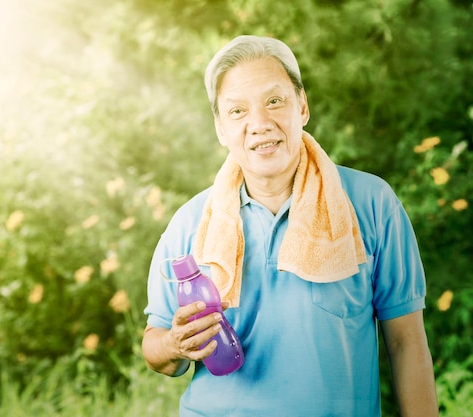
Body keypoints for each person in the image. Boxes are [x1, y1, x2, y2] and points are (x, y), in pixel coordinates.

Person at [142, 35, 438, 417]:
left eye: (274, 101)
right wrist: (175, 346)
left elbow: (407, 344)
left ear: (302, 106)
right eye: (237, 112)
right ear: (220, 128)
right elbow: (157, 346)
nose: (259, 124)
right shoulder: (190, 224)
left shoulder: (371, 204)